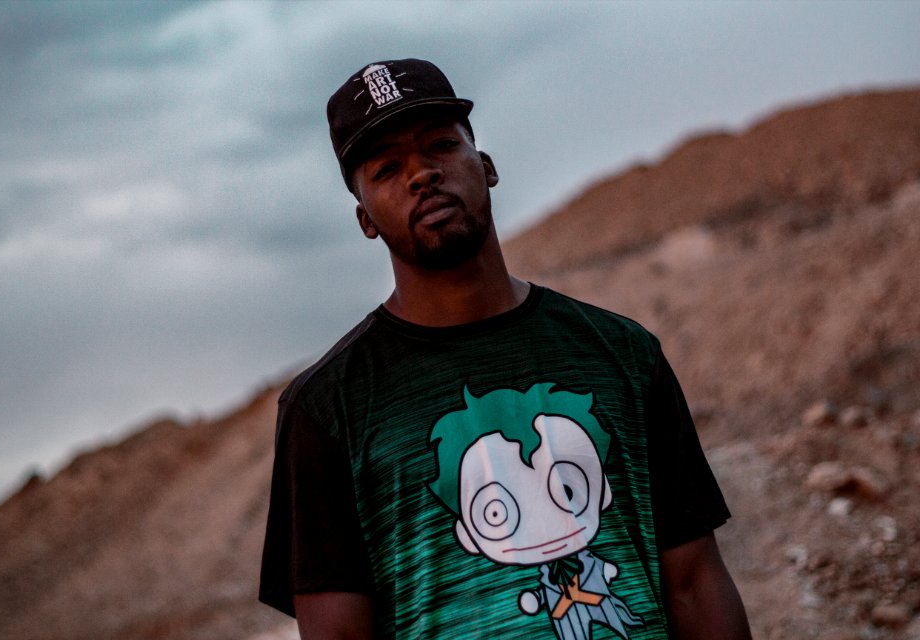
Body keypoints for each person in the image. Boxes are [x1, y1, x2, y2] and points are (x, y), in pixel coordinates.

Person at [259, 58, 752, 640]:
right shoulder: (326, 409)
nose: (422, 175)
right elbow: (338, 634)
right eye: (388, 168)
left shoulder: (622, 353)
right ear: (365, 218)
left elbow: (695, 582)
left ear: (486, 166)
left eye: (440, 146)